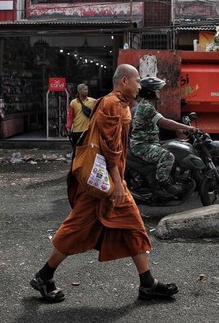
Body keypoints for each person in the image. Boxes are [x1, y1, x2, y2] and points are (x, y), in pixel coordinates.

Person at [30, 64, 178, 303]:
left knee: (132, 226)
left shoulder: (120, 104)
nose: (140, 86)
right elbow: (110, 149)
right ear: (125, 81)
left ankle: (148, 283)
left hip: (109, 181)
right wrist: (118, 184)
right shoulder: (111, 104)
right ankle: (44, 276)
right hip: (103, 184)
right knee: (77, 229)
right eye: (137, 81)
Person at [130, 77, 196, 200]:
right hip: (142, 145)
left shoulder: (147, 105)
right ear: (150, 92)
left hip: (149, 142)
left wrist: (180, 128)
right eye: (157, 90)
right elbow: (164, 122)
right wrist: (187, 128)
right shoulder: (146, 107)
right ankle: (162, 187)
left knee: (175, 145)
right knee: (168, 156)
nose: (159, 92)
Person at [66, 83, 96, 148]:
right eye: (84, 89)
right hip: (77, 129)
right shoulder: (73, 102)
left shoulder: (93, 101)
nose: (86, 91)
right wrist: (68, 127)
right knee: (77, 148)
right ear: (79, 91)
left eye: (87, 89)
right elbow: (70, 116)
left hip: (88, 130)